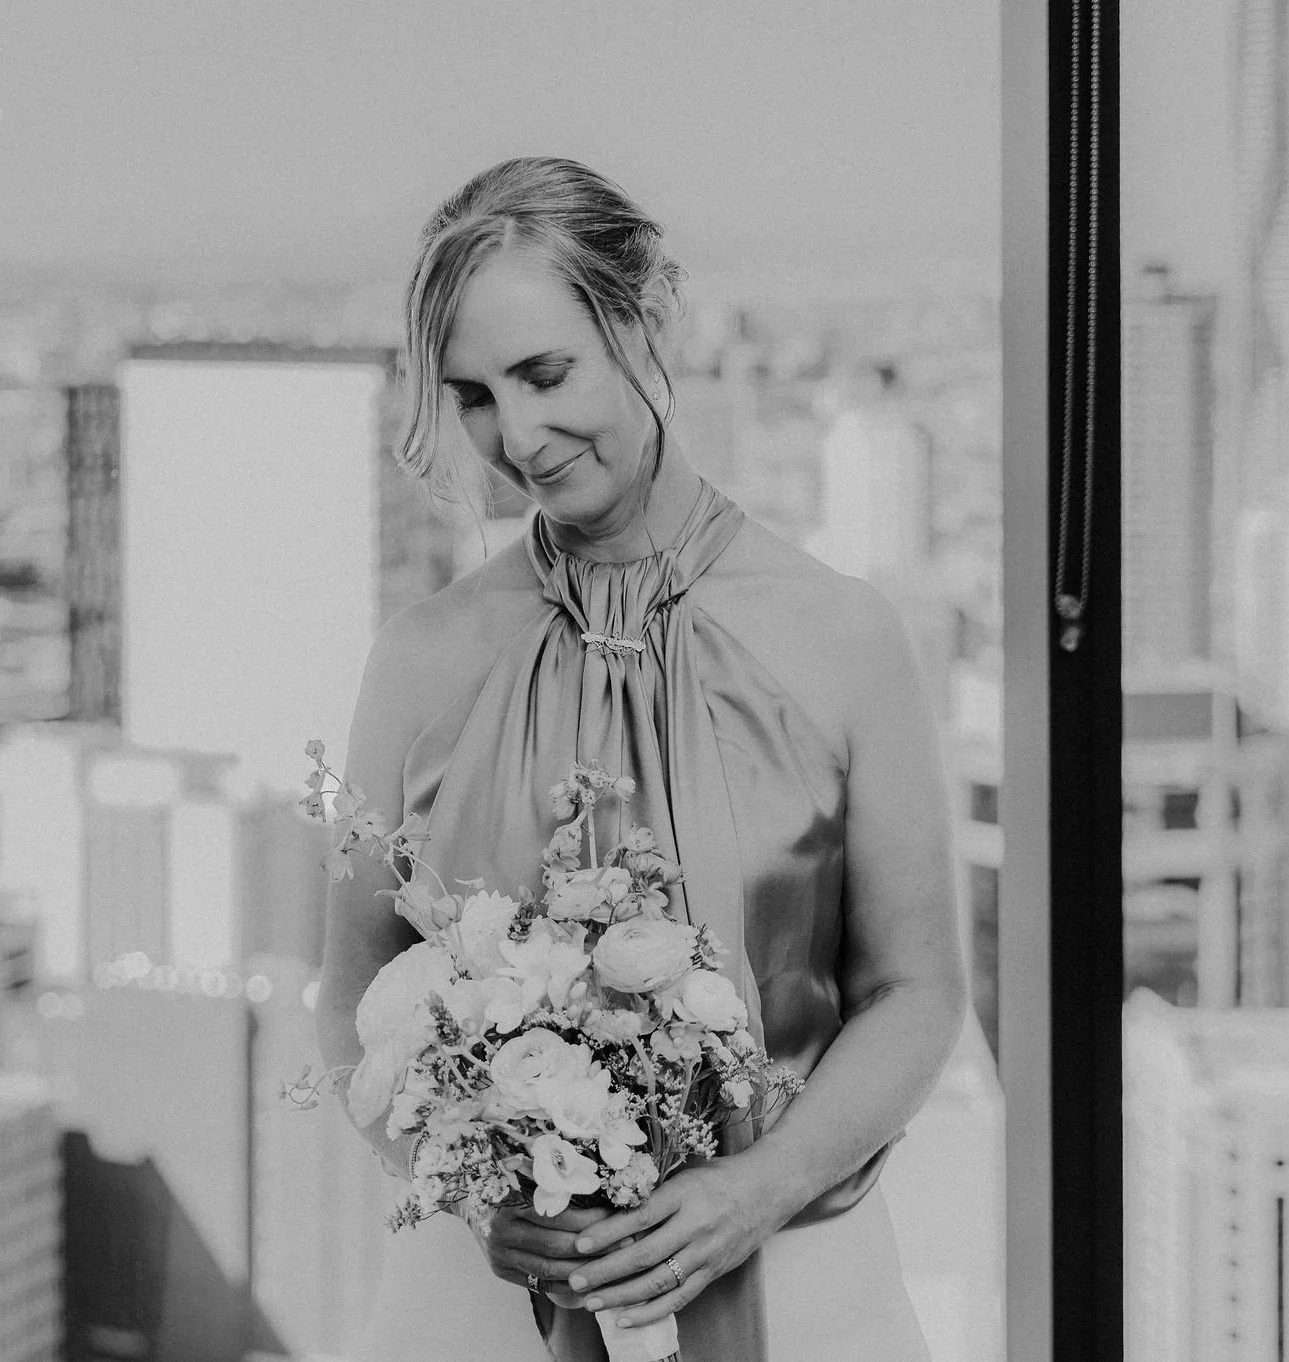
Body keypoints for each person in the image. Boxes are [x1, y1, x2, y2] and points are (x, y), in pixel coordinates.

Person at [315, 156, 966, 1362]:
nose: (516, 435)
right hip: (476, 1307)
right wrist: (469, 1190)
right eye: (470, 395)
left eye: (544, 372)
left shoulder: (842, 635)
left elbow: (915, 992)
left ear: (646, 320)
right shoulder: (417, 661)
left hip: (801, 1287)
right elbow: (350, 1007)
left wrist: (753, 1191)